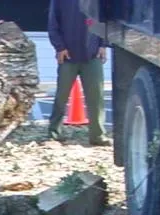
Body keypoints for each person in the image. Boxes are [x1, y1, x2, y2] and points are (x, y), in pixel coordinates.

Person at [47, 0, 109, 146]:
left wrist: (103, 45)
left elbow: (103, 20)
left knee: (96, 98)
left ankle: (98, 135)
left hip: (92, 55)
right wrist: (60, 47)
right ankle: (54, 132)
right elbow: (53, 24)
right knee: (61, 96)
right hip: (68, 55)